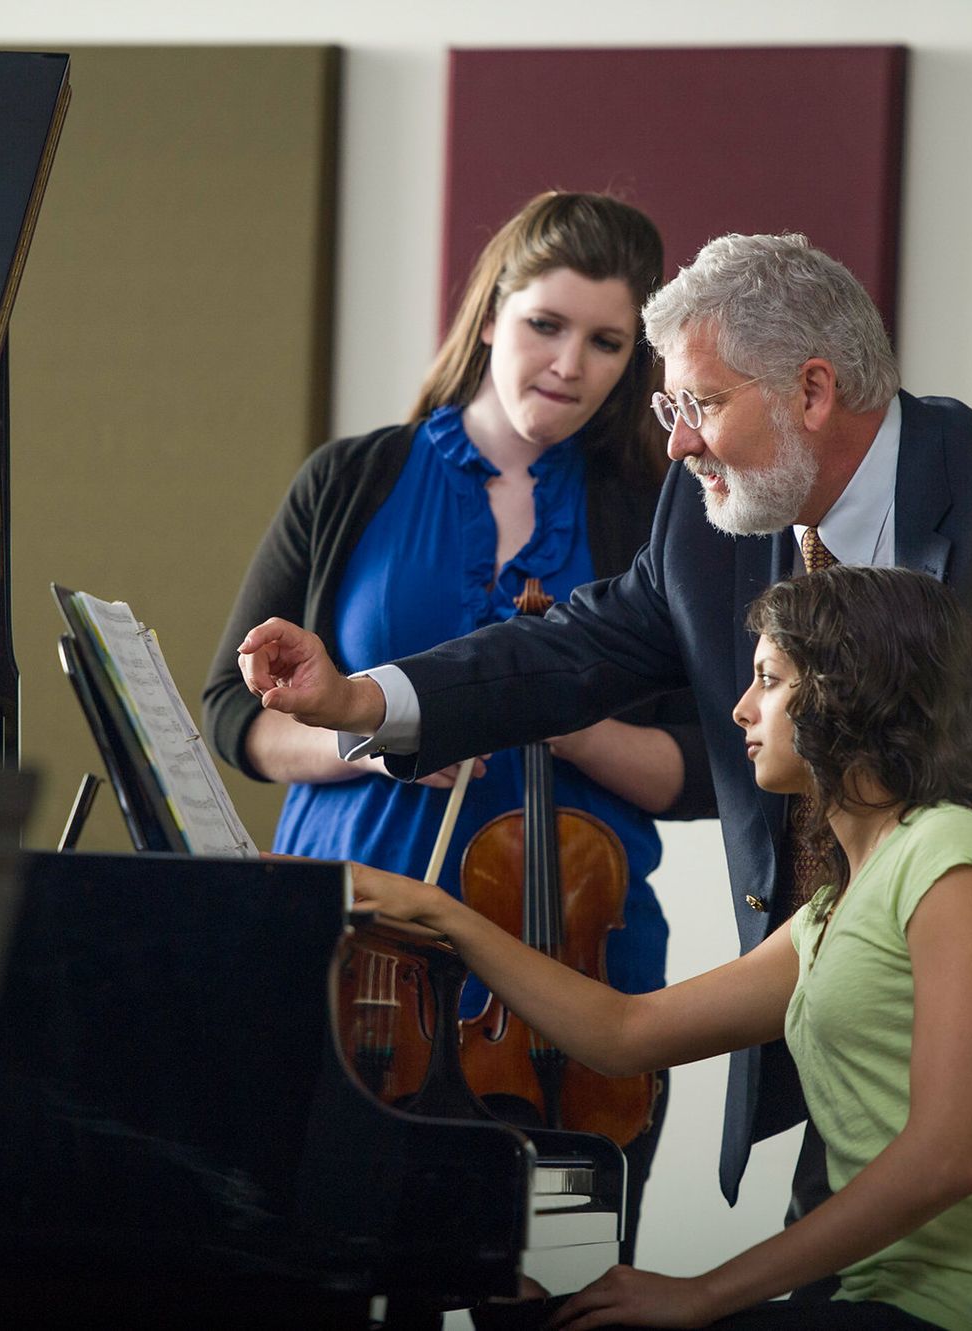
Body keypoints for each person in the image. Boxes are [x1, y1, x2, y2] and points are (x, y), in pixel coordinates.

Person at [237, 233, 972, 1328]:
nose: (679, 440)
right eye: (666, 411)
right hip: (845, 1043)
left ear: (814, 389)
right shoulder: (714, 523)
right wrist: (364, 702)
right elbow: (575, 648)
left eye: (696, 402)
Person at [355, 567, 972, 1331]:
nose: (740, 709)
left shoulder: (950, 852)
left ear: (849, 693)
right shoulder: (830, 911)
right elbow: (624, 1034)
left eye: (768, 681)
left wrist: (702, 1291)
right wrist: (445, 914)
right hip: (883, 1301)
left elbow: (946, 1158)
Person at [202, 192, 713, 1261]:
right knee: (310, 1264)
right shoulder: (353, 478)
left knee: (557, 1280)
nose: (570, 363)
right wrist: (373, 733)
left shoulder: (658, 507)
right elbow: (233, 713)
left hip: (575, 956)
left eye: (606, 341)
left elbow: (704, 767)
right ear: (490, 314)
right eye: (545, 324)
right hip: (356, 943)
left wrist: (558, 718)